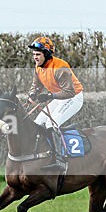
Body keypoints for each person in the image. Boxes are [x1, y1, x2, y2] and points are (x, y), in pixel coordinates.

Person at [26, 36, 84, 171]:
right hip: (58, 97)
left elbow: (69, 92)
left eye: (38, 54)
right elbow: (36, 85)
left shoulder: (60, 67)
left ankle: (59, 159)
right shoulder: (38, 67)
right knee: (37, 123)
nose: (35, 57)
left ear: (46, 54)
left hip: (73, 97)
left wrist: (49, 95)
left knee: (51, 123)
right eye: (34, 54)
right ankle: (41, 156)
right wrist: (33, 93)